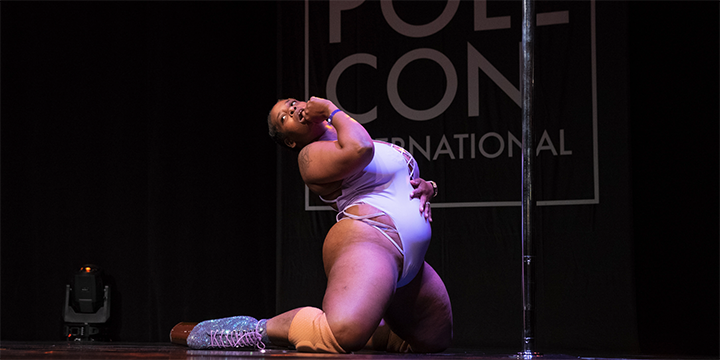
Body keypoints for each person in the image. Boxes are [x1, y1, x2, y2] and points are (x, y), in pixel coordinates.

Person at [170, 97, 452, 353]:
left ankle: (373, 329)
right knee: (343, 333)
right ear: (291, 141)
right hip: (371, 239)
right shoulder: (310, 155)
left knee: (432, 340)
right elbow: (360, 149)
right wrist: (331, 110)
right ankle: (254, 330)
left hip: (410, 259)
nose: (292, 109)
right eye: (285, 117)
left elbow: (396, 176)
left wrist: (429, 186)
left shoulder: (357, 138)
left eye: (292, 104)